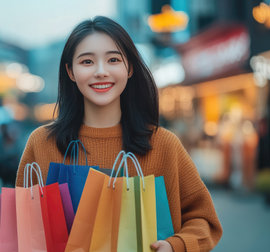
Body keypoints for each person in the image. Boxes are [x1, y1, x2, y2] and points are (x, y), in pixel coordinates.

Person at [15, 16, 222, 252]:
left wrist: (176, 246)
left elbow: (205, 220)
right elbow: (23, 233)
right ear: (70, 72)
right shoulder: (42, 144)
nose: (101, 72)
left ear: (130, 67)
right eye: (87, 62)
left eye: (113, 59)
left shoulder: (163, 144)